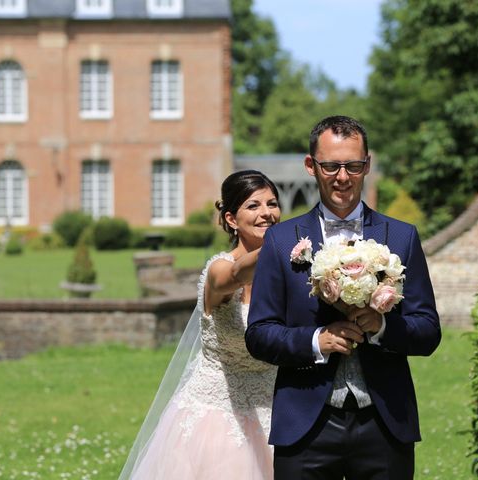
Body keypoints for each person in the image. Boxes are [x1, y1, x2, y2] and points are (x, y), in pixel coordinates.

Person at [245, 115, 441, 479]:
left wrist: (383, 326)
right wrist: (317, 340)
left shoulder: (401, 237)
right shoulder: (282, 240)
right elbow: (259, 334)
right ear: (311, 166)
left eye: (352, 165)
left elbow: (428, 331)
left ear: (367, 165)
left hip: (385, 425)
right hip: (305, 424)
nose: (342, 177)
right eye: (331, 165)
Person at [119, 170, 281, 480]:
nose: (267, 213)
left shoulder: (290, 269)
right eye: (254, 206)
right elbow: (233, 277)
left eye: (272, 204)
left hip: (277, 412)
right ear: (231, 219)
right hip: (217, 418)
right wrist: (282, 245)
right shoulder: (218, 269)